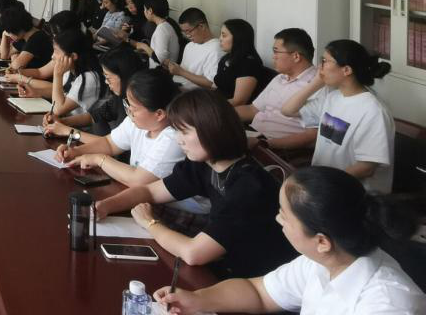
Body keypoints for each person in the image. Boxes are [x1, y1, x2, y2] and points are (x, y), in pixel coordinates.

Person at [155, 167, 426, 315]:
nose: (277, 220)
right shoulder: (325, 261)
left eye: (284, 215)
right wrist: (198, 299)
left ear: (321, 241)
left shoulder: (389, 312)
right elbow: (259, 292)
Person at [96, 89, 296, 278]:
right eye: (176, 131)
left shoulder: (248, 188)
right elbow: (149, 191)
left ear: (212, 129)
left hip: (257, 279)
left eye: (184, 132)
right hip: (230, 265)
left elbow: (194, 253)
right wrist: (105, 206)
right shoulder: (205, 164)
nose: (179, 140)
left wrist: (150, 222)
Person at [281, 39, 395, 194]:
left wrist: (323, 184)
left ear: (346, 70)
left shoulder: (373, 111)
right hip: (323, 186)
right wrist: (316, 83)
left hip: (352, 194)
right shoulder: (333, 97)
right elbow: (288, 110)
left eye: (324, 61)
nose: (319, 67)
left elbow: (366, 167)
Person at [55, 68, 184, 187]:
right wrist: (75, 151)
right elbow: (109, 144)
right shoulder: (137, 123)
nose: (129, 111)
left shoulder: (174, 138)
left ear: (159, 114)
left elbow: (138, 180)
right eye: (128, 104)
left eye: (134, 108)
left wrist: (99, 159)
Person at [237, 28, 320, 151]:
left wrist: (265, 144)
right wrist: (220, 115)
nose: (273, 57)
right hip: (255, 134)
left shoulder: (316, 86)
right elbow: (253, 109)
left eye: (276, 52)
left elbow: (312, 136)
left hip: (277, 148)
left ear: (296, 56)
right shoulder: (280, 78)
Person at [30, 27, 104, 131]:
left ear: (73, 56)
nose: (52, 56)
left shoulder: (90, 78)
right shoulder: (70, 71)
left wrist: (57, 75)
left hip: (83, 132)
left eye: (56, 51)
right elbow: (61, 96)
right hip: (67, 126)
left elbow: (58, 109)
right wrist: (35, 92)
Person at [83, 46, 147, 136]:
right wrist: (64, 121)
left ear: (124, 76)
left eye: (108, 77)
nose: (106, 82)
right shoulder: (120, 98)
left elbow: (110, 142)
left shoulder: (143, 107)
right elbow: (96, 115)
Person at [212, 19, 275, 106]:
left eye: (224, 35)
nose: (220, 39)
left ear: (238, 38)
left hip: (230, 109)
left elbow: (239, 101)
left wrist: (211, 105)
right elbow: (216, 86)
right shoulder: (226, 58)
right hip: (217, 102)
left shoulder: (249, 64)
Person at [165, 7, 223, 90]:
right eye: (184, 32)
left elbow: (211, 84)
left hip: (192, 95)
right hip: (176, 87)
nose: (187, 35)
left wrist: (181, 72)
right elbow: (182, 70)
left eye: (188, 31)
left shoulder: (216, 49)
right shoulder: (190, 45)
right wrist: (173, 68)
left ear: (201, 26)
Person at [133, 0, 182, 67]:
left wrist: (144, 46)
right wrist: (146, 51)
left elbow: (160, 60)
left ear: (150, 11)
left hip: (161, 72)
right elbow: (157, 54)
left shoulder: (162, 30)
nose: (144, 12)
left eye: (145, 9)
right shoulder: (164, 26)